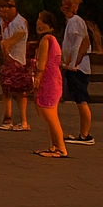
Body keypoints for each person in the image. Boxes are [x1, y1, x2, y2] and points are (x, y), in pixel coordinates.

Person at [32, 10, 68, 158]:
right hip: (54, 79)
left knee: (50, 114)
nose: (38, 23)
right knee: (49, 114)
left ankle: (61, 148)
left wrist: (37, 79)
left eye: (41, 20)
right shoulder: (52, 39)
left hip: (48, 80)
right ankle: (54, 145)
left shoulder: (46, 40)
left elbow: (42, 63)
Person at [60, 0, 94, 145]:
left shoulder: (75, 21)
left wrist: (73, 64)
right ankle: (83, 133)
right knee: (80, 100)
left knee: (81, 100)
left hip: (77, 67)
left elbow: (77, 45)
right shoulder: (74, 22)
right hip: (76, 65)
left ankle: (85, 135)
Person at [0, 0, 32, 132]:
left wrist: (6, 45)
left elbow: (15, 38)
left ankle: (22, 121)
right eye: (2, 7)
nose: (3, 10)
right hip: (9, 60)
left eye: (8, 7)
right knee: (7, 91)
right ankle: (8, 118)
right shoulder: (2, 22)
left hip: (17, 60)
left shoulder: (19, 22)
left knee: (20, 92)